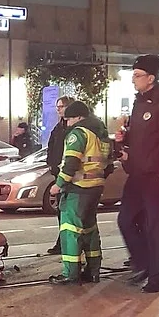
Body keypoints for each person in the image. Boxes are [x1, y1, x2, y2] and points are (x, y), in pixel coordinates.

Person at [116, 54, 159, 293]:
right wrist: (124, 141)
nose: (133, 80)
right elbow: (138, 140)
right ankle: (143, 262)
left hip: (155, 176)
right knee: (125, 219)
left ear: (151, 78)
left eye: (137, 76)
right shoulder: (139, 102)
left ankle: (157, 278)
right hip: (136, 174)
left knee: (155, 227)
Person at [48, 101, 114, 285]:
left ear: (78, 117)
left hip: (78, 187)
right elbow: (109, 163)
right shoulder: (101, 133)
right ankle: (93, 271)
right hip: (95, 187)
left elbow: (71, 163)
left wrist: (58, 184)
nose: (67, 123)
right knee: (90, 229)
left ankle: (71, 273)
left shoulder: (79, 133)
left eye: (68, 119)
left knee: (70, 230)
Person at [46, 95, 75, 255]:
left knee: (69, 213)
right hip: (59, 174)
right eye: (57, 107)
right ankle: (62, 241)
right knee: (61, 211)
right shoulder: (58, 127)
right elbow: (52, 147)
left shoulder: (74, 128)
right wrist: (51, 165)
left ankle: (68, 243)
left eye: (61, 106)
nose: (58, 110)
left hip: (71, 177)